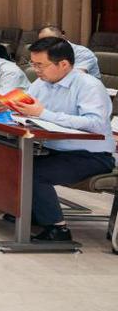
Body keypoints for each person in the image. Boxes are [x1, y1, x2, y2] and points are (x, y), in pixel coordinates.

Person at [15, 37, 115, 243]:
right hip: (55, 149)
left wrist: (43, 114)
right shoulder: (41, 83)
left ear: (63, 64)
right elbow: (28, 106)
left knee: (33, 172)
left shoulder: (89, 85)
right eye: (33, 64)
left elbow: (95, 124)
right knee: (12, 161)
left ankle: (58, 229)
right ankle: (31, 213)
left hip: (91, 156)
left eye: (40, 65)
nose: (36, 70)